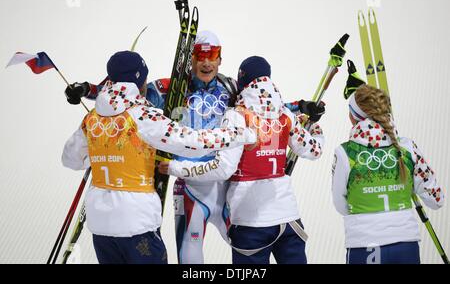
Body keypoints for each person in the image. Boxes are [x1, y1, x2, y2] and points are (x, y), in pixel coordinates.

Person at [61, 50, 256, 264]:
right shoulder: (142, 115)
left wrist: (107, 153)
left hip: (100, 226)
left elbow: (70, 160)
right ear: (141, 80)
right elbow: (192, 144)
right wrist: (239, 134)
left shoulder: (91, 118)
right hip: (136, 221)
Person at [160, 56, 325, 264]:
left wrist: (177, 168)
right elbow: (314, 150)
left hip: (250, 223)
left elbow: (223, 169)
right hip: (289, 218)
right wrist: (314, 127)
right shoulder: (285, 115)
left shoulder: (238, 116)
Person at [332, 84, 445, 264]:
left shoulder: (345, 153)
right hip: (406, 246)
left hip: (365, 244)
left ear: (353, 117)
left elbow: (341, 205)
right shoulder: (407, 148)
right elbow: (437, 200)